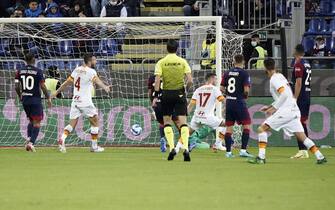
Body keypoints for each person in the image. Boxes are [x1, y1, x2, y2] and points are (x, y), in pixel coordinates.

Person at [248, 58, 327, 165]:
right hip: (293, 110)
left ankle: (261, 157)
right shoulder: (280, 76)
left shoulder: (274, 79)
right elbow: (285, 95)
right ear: (274, 66)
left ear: (265, 68)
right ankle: (320, 156)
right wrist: (270, 106)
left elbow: (284, 94)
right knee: (302, 136)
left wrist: (274, 108)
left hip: (285, 111)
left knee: (261, 129)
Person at [52, 54, 110, 153]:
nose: (96, 62)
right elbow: (97, 81)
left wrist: (56, 92)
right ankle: (94, 147)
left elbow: (66, 83)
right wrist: (105, 87)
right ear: (90, 61)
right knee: (95, 121)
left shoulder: (77, 70)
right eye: (94, 60)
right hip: (85, 101)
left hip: (75, 101)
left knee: (72, 124)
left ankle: (62, 138)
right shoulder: (91, 71)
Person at [154, 39, 193, 161]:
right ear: (177, 49)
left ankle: (171, 148)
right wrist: (185, 89)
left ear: (167, 48)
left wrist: (156, 94)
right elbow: (190, 80)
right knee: (183, 123)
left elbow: (157, 81)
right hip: (180, 93)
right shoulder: (182, 61)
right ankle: (185, 148)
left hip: (166, 94)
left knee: (167, 122)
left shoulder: (161, 62)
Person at [15, 52, 52, 152]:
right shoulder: (38, 71)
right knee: (37, 123)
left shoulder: (19, 71)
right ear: (33, 60)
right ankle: (31, 143)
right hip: (35, 100)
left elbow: (16, 86)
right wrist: (48, 97)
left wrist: (20, 96)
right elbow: (43, 86)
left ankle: (28, 140)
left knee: (31, 121)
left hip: (25, 100)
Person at [221, 54, 253, 158]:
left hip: (229, 102)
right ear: (243, 62)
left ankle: (228, 152)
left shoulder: (227, 73)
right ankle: (243, 150)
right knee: (247, 125)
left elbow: (221, 88)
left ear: (233, 61)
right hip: (239, 102)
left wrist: (229, 95)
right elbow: (246, 90)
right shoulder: (244, 73)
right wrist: (244, 97)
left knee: (229, 128)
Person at [187, 73, 226, 152]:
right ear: (211, 78)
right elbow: (223, 100)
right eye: (216, 79)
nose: (217, 81)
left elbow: (191, 105)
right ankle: (218, 144)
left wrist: (184, 115)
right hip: (208, 117)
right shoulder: (214, 89)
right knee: (228, 123)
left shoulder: (198, 89)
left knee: (189, 132)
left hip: (197, 116)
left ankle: (178, 146)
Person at [147, 74, 180, 153]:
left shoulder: (152, 78)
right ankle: (183, 142)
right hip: (169, 101)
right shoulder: (170, 76)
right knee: (178, 122)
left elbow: (150, 92)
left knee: (163, 123)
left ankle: (162, 138)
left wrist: (152, 104)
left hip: (157, 103)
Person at [290, 44, 312, 159]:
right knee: (302, 123)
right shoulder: (307, 63)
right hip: (307, 96)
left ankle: (303, 150)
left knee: (298, 124)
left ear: (296, 51)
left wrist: (294, 98)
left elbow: (299, 83)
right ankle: (305, 149)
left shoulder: (298, 64)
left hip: (301, 97)